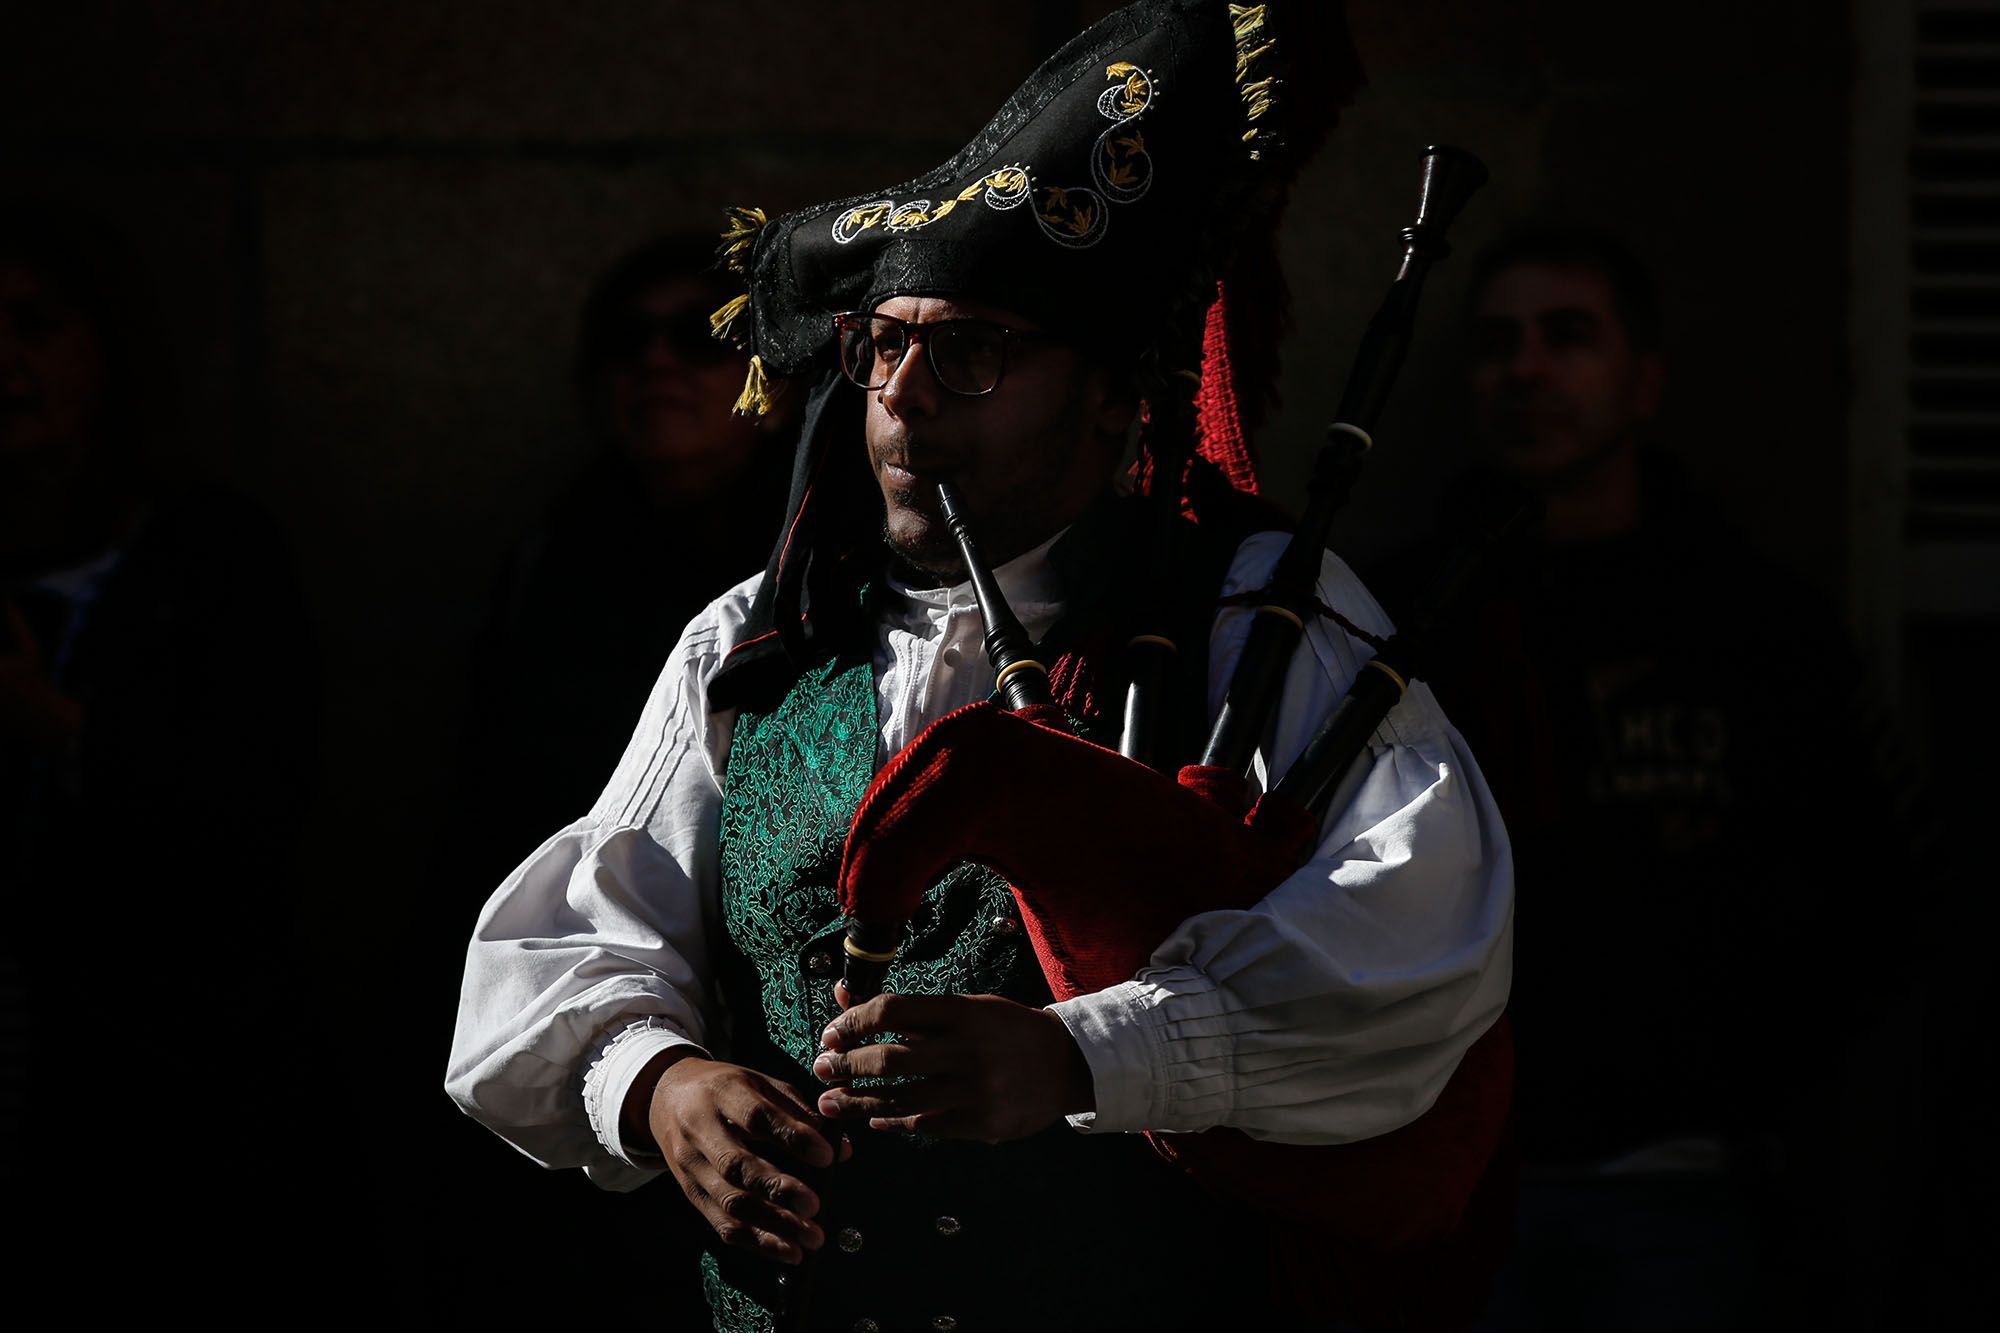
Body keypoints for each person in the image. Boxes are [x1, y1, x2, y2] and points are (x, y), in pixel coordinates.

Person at [447, 4, 1512, 1329]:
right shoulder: (758, 639)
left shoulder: (1251, 613)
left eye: (970, 349)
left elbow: (1420, 947)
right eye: (882, 342)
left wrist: (1084, 1055)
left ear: (1119, 392)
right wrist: (656, 1082)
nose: (901, 396)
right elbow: (571, 940)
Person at [1397, 225, 1932, 1330]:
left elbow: (1874, 896)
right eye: (1497, 343)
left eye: (1567, 337)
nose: (1526, 369)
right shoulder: (1403, 622)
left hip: (1685, 1182)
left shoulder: (1755, 628)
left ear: (1642, 380)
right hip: (1441, 1182)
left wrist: (1749, 1085)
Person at [0, 205, 323, 1302]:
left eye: (31, 325)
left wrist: (60, 729)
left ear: (102, 346)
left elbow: (257, 812)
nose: (5, 362)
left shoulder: (206, 555)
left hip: (172, 1094)